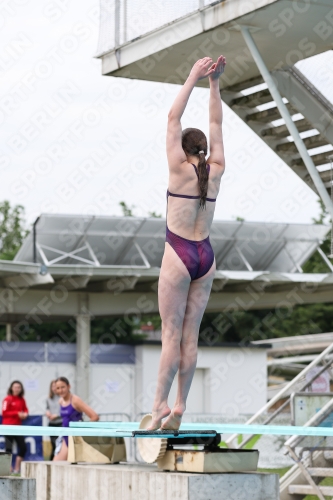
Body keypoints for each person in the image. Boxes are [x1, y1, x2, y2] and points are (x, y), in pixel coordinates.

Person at [148, 56, 226, 431]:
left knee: (170, 334)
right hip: (206, 256)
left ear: (182, 148)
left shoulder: (178, 168)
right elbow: (216, 123)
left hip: (178, 254)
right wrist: (214, 86)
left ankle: (159, 405)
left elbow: (172, 119)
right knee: (191, 335)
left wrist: (193, 74)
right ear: (204, 148)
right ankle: (181, 405)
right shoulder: (218, 169)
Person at [53, 377, 99, 461]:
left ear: (68, 386)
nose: (60, 390)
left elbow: (94, 416)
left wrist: (84, 430)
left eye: (63, 387)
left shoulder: (75, 400)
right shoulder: (61, 401)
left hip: (75, 438)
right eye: (58, 388)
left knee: (74, 465)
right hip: (65, 437)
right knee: (55, 465)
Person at [2, 380, 28, 474]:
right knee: (8, 449)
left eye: (19, 387)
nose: (17, 389)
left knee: (23, 447)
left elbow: (25, 409)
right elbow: (4, 412)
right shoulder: (7, 399)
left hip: (18, 427)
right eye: (15, 387)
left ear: (21, 389)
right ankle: (9, 469)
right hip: (8, 427)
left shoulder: (22, 399)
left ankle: (17, 468)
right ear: (11, 388)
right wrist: (17, 413)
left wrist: (25, 414)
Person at [46, 380, 62, 460]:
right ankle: (52, 461)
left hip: (60, 423)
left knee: (59, 445)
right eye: (53, 386)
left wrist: (57, 415)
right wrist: (47, 412)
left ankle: (55, 460)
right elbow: (47, 408)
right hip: (51, 423)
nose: (55, 388)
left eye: (56, 386)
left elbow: (64, 411)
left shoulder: (62, 397)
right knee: (53, 444)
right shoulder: (48, 398)